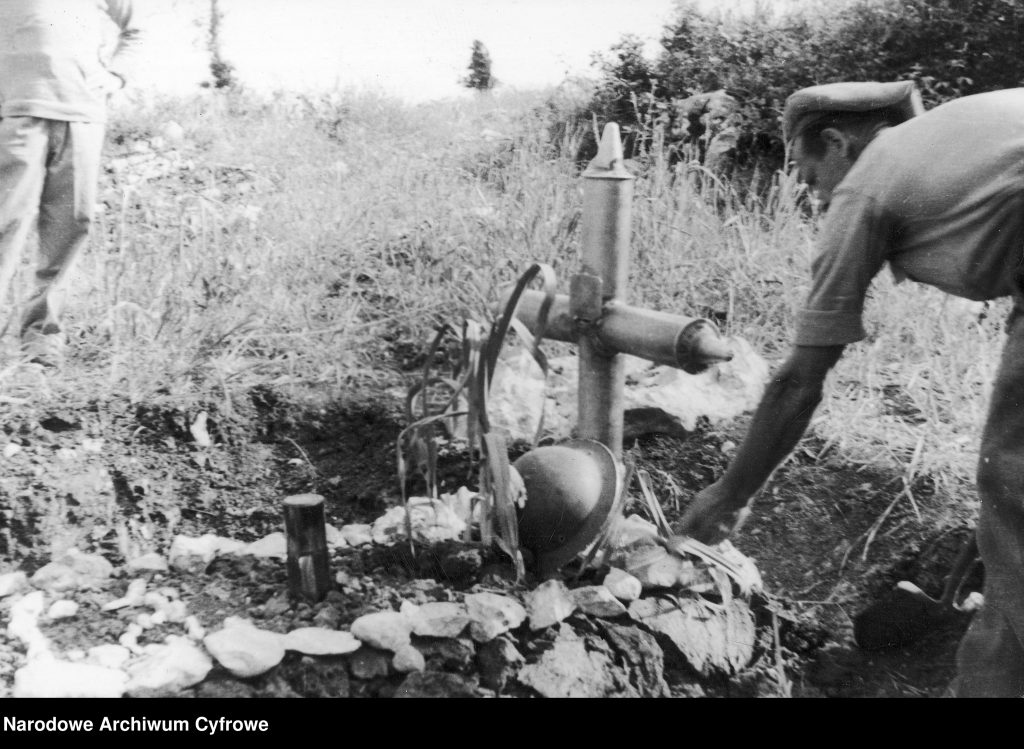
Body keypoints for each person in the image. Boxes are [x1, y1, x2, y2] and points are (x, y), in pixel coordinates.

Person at [676, 80, 1024, 697]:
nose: (814, 195)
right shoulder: (950, 141)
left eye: (809, 176)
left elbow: (799, 381)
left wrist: (730, 494)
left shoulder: (866, 183)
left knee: (1013, 490)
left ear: (837, 144)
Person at [0, 0, 140, 369]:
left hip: (83, 116)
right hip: (15, 114)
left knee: (68, 227)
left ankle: (41, 345)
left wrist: (116, 75)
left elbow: (139, 30)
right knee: (4, 225)